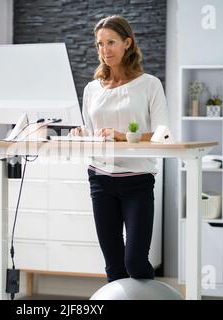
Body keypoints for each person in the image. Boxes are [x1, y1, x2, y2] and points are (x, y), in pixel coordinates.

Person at [69, 15, 169, 282]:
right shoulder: (92, 89)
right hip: (100, 179)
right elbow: (92, 132)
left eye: (111, 42)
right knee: (114, 266)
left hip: (137, 180)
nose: (105, 50)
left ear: (127, 43)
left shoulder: (149, 84)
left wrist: (124, 136)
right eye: (100, 44)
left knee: (135, 263)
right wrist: (81, 134)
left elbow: (163, 134)